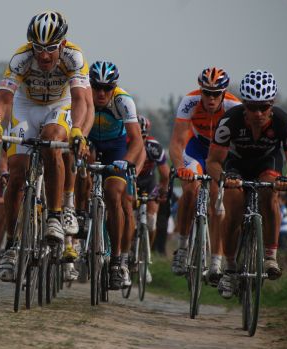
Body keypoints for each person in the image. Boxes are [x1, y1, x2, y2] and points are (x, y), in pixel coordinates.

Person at [0, 11, 94, 282]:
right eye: (39, 49)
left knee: (53, 142)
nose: (44, 56)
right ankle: (11, 246)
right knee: (17, 173)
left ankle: (56, 215)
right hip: (26, 106)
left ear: (63, 44)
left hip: (60, 104)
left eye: (51, 49)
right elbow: (2, 98)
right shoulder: (20, 58)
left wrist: (77, 129)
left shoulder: (74, 57)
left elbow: (81, 100)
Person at [206, 70, 287, 298]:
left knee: (270, 193)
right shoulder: (229, 121)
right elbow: (213, 162)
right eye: (252, 107)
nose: (258, 112)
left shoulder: (284, 123)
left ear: (271, 104)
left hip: (268, 163)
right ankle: (230, 267)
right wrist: (224, 178)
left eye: (263, 107)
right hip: (237, 165)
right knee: (232, 204)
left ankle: (270, 257)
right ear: (244, 104)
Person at [74, 61, 144, 290]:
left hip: (116, 148)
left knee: (114, 195)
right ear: (90, 85)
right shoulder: (83, 95)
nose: (101, 93)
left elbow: (136, 141)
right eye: (97, 87)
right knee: (80, 168)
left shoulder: (123, 101)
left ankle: (116, 261)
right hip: (91, 142)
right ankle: (81, 214)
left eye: (107, 88)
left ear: (114, 87)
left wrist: (125, 162)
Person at [169, 67, 241, 285]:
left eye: (216, 93)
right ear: (200, 91)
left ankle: (217, 263)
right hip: (197, 150)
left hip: (222, 154)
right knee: (189, 191)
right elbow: (177, 141)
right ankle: (182, 248)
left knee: (219, 205)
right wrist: (181, 166)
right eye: (206, 93)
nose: (211, 98)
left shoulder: (234, 107)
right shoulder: (189, 102)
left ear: (224, 93)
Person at [133, 115, 170, 283]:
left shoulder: (154, 147)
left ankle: (146, 257)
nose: (140, 139)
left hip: (149, 183)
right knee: (128, 217)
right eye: (137, 135)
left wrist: (162, 191)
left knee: (151, 219)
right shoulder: (126, 142)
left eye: (143, 136)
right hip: (131, 180)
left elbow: (164, 174)